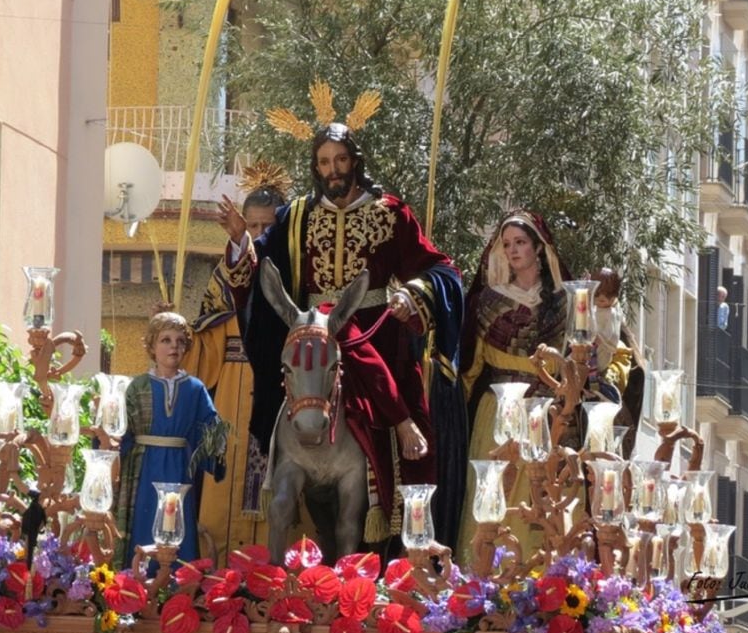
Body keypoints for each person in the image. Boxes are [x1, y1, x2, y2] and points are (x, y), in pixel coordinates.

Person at [218, 119, 464, 548]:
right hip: (315, 340)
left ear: (355, 161)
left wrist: (413, 294)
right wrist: (242, 241)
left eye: (340, 160)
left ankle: (395, 543)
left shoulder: (391, 212)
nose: (333, 170)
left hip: (377, 337)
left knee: (401, 428)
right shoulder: (297, 216)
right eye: (324, 162)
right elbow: (263, 277)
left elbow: (441, 269)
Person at [182, 163, 289, 562]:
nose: (259, 234)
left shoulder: (292, 274)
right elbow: (205, 341)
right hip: (230, 392)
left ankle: (276, 577)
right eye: (252, 226)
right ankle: (215, 574)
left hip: (277, 388)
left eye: (266, 227)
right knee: (221, 488)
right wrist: (176, 335)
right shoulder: (228, 270)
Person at [456, 211, 567, 559]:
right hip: (497, 412)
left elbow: (577, 366)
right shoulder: (488, 302)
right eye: (506, 245)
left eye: (520, 242)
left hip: (543, 412)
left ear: (538, 247)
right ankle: (483, 576)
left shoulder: (564, 303)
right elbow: (471, 367)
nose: (513, 250)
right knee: (493, 496)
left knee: (537, 499)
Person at [114, 309, 225, 568]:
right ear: (152, 346)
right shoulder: (137, 386)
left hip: (178, 469)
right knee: (143, 518)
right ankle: (137, 582)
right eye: (165, 340)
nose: (173, 347)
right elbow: (120, 429)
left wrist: (218, 440)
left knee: (177, 523)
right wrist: (109, 446)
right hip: (143, 467)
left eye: (179, 341)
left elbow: (209, 426)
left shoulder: (195, 388)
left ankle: (177, 584)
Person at [589, 268, 646, 459]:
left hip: (605, 362)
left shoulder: (613, 317)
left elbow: (612, 342)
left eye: (604, 297)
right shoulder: (589, 310)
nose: (600, 301)